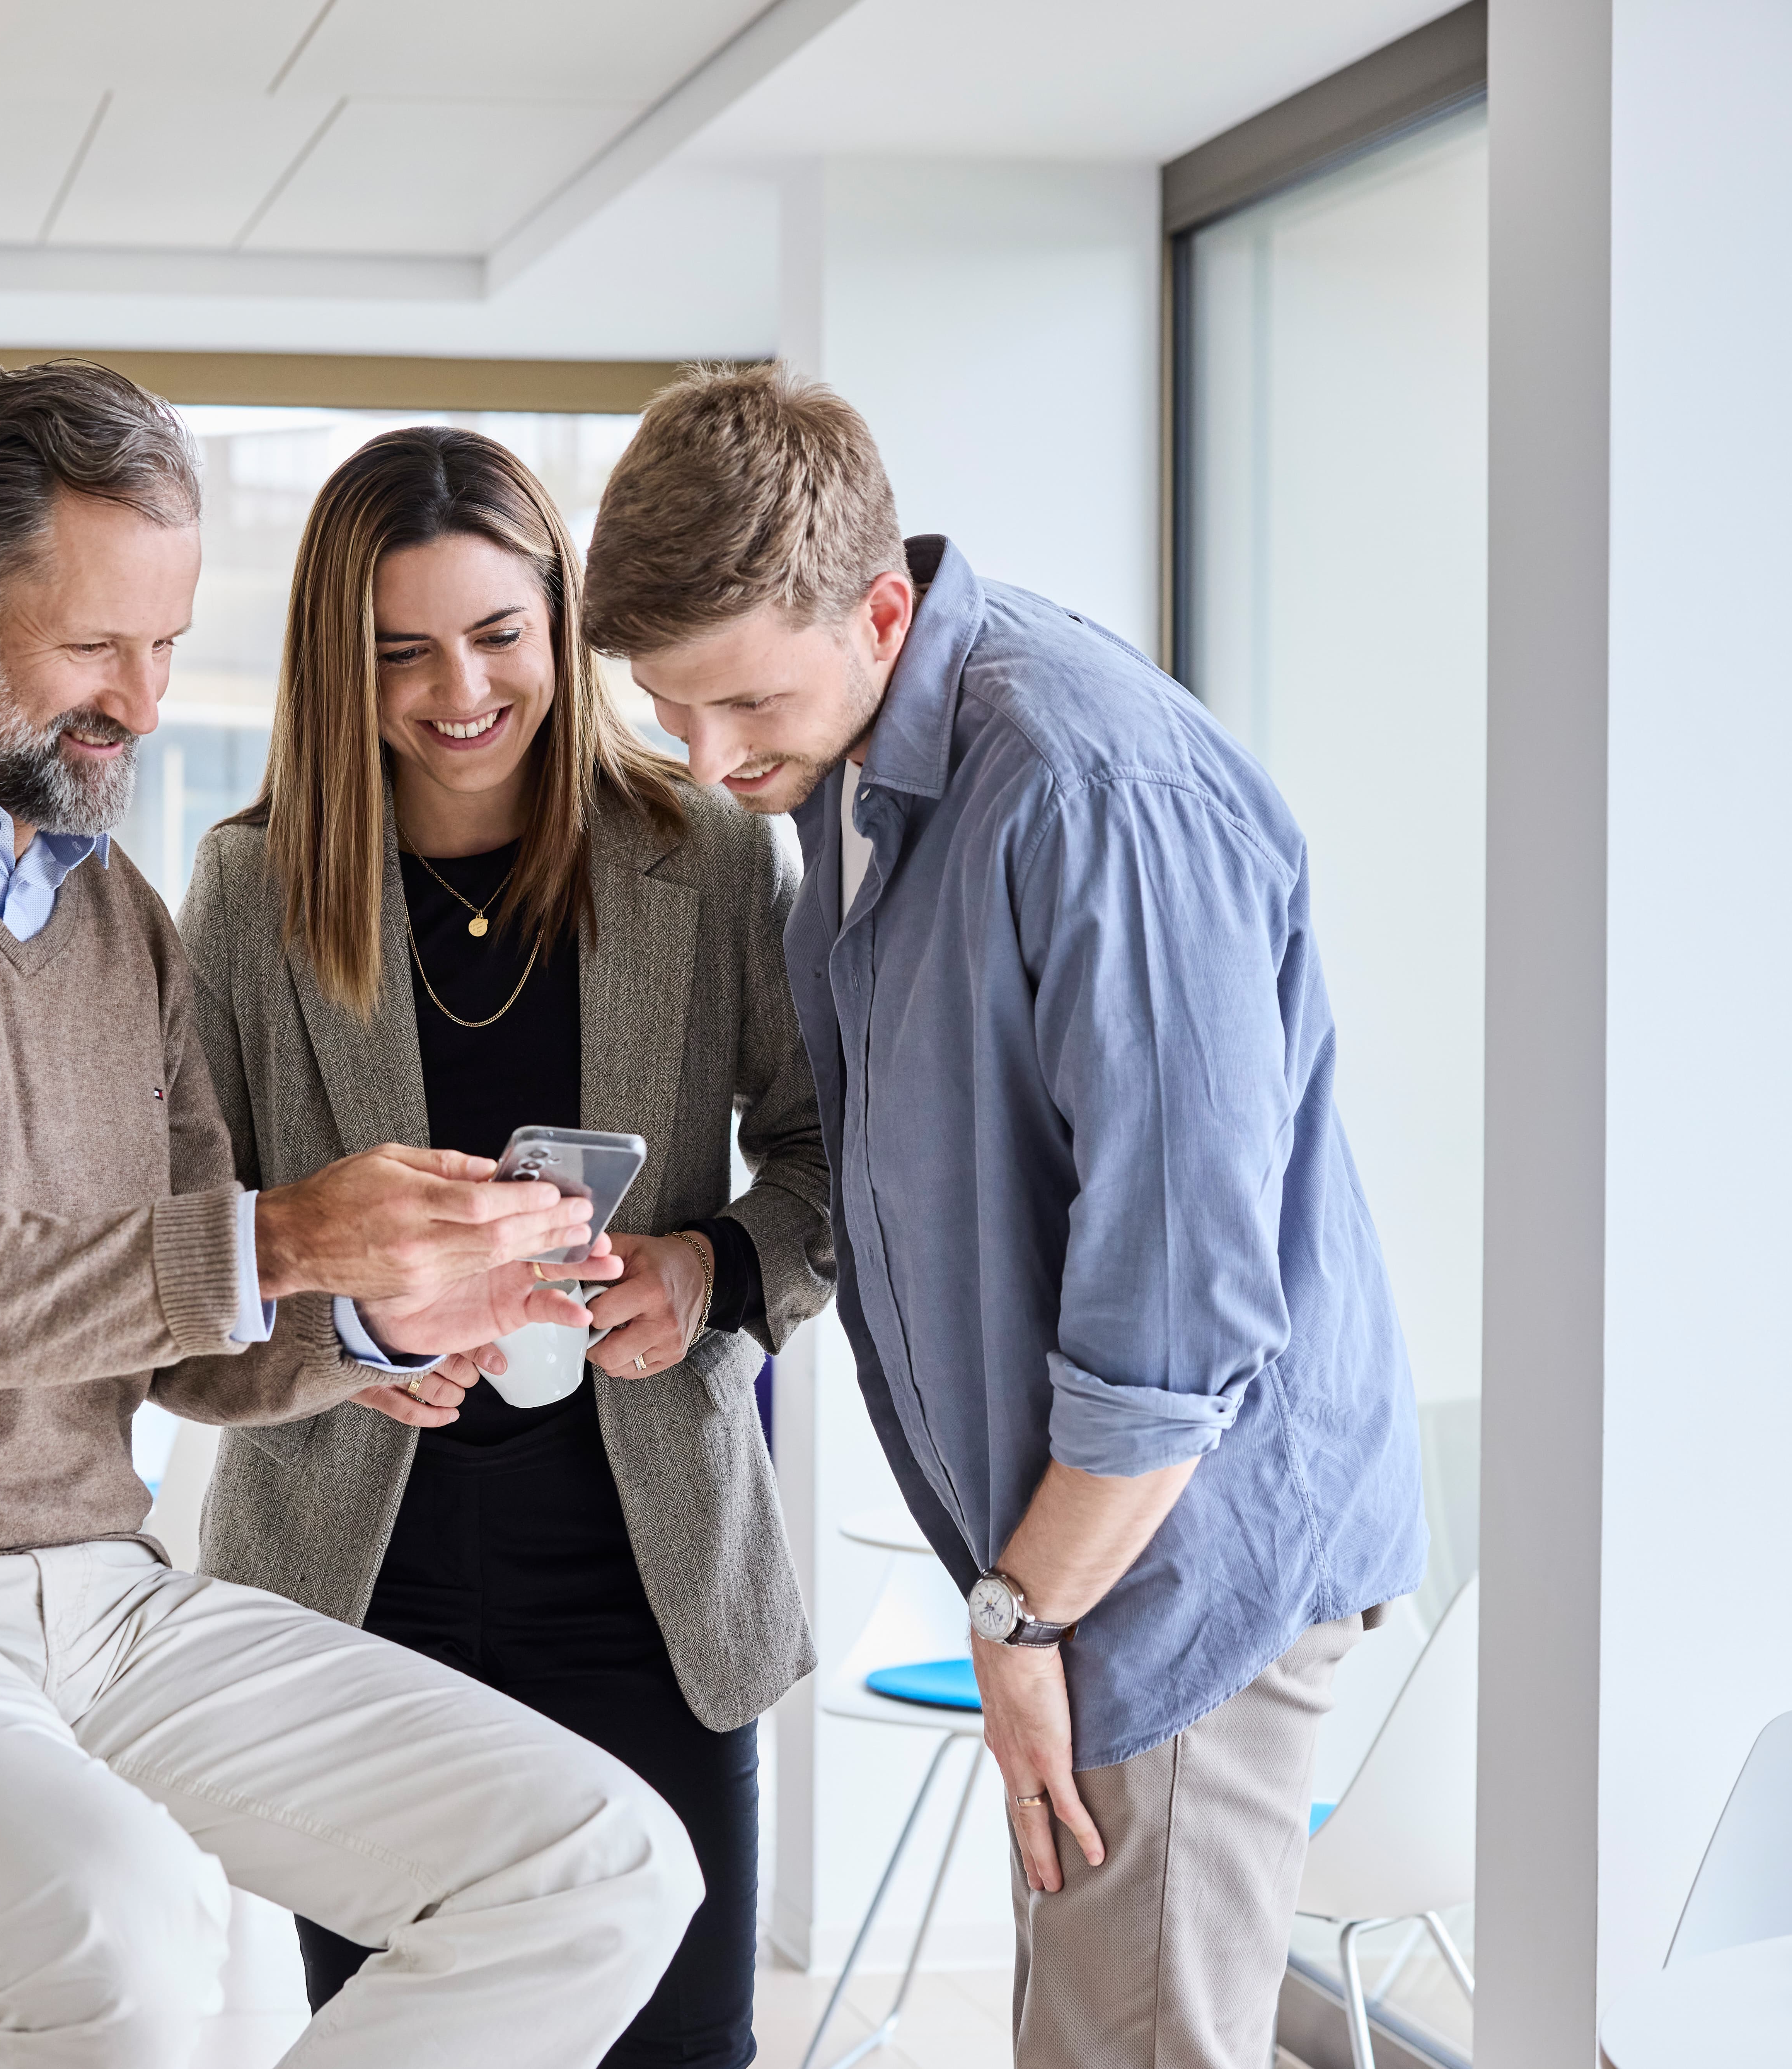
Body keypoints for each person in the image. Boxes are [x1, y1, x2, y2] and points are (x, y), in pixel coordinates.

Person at [0, 360, 706, 2069]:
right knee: (118, 1933)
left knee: (598, 1866)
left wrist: (388, 1317)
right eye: (99, 646)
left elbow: (192, 1348)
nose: (143, 703)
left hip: (96, 1593)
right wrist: (283, 1242)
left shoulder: (111, 915)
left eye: (169, 647)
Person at [581, 364, 1426, 2069]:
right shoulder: (867, 761)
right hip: (1076, 1564)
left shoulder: (1087, 795)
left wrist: (1020, 1620)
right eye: (671, 714)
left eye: (740, 703)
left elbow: (1179, 1322)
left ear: (877, 608)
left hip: (1170, 1565)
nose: (710, 758)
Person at [179, 427, 833, 2069]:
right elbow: (183, 1266)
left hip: (649, 1585)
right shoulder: (251, 893)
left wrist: (712, 1275)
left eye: (496, 635)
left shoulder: (709, 858)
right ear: (337, 669)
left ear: (561, 621)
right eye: (399, 653)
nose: (456, 690)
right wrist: (363, 1340)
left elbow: (834, 1164)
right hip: (352, 1595)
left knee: (680, 2047)